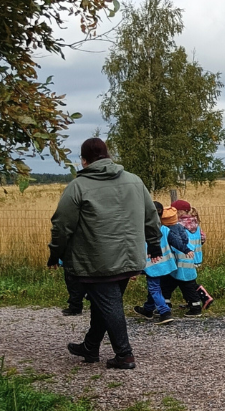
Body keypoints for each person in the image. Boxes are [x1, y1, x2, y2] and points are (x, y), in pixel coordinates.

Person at [48, 138, 160, 370]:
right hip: (130, 256)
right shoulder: (135, 181)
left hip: (98, 260)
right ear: (107, 155)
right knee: (105, 304)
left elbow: (61, 225)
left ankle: (124, 355)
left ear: (84, 160)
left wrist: (55, 252)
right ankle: (90, 347)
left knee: (109, 304)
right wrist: (154, 244)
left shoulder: (78, 186)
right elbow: (151, 215)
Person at [133, 203, 182, 324]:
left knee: (154, 288)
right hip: (165, 265)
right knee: (154, 287)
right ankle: (148, 309)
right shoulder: (164, 229)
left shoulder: (141, 232)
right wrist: (187, 250)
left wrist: (133, 269)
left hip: (152, 266)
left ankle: (164, 312)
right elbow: (177, 242)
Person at [172, 199, 214, 310]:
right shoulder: (195, 224)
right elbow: (202, 238)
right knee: (184, 280)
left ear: (179, 212)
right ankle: (194, 300)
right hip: (194, 257)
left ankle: (199, 301)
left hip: (183, 256)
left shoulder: (179, 225)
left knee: (186, 281)